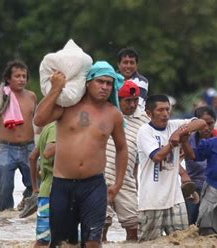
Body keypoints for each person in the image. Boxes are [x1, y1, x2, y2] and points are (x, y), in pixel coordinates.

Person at [33, 61, 128, 247]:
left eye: (109, 83)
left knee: (93, 241)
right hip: (62, 185)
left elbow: (121, 148)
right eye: (100, 81)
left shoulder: (113, 115)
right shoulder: (67, 106)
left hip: (94, 186)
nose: (105, 87)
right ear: (88, 83)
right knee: (62, 242)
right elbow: (39, 119)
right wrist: (55, 89)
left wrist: (118, 184)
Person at [136, 94, 207, 241]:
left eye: (167, 109)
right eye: (160, 110)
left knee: (182, 240)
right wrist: (172, 143)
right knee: (148, 243)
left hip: (175, 198)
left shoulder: (174, 125)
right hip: (151, 200)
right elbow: (157, 157)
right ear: (149, 113)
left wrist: (179, 132)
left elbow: (201, 122)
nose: (165, 114)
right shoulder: (145, 131)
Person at [0, 60, 37, 212]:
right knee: (5, 186)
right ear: (8, 79)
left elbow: (38, 120)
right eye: (17, 76)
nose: (21, 79)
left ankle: (25, 205)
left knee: (34, 184)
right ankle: (5, 219)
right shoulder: (0, 95)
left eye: (24, 76)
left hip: (29, 147)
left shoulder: (31, 96)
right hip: (7, 148)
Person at [103, 80, 150, 242]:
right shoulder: (107, 113)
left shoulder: (144, 120)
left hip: (125, 179)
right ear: (118, 99)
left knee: (133, 227)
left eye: (135, 100)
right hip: (99, 177)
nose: (132, 104)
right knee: (100, 227)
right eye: (127, 101)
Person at [184, 106, 217, 225]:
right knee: (190, 225)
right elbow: (172, 162)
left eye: (210, 123)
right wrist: (183, 175)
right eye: (203, 124)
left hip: (215, 188)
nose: (207, 128)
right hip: (193, 188)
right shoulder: (187, 140)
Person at [28, 122, 56, 247]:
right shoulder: (57, 129)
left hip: (44, 191)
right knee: (45, 241)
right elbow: (49, 151)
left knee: (43, 239)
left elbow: (32, 157)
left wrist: (35, 188)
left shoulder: (48, 128)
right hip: (56, 190)